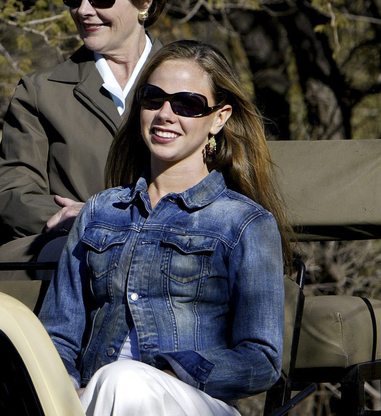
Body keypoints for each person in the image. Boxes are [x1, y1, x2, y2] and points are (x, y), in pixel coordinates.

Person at [38, 40, 293, 415]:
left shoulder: (245, 223)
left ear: (219, 118)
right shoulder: (100, 212)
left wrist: (174, 367)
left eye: (187, 104)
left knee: (123, 380)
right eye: (153, 98)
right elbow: (57, 334)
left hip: (195, 402)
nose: (165, 114)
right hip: (96, 398)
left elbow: (261, 360)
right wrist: (66, 390)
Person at [0, 0, 170, 276]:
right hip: (71, 259)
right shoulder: (41, 92)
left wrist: (113, 218)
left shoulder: (193, 86)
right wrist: (87, 223)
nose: (83, 10)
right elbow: (15, 191)